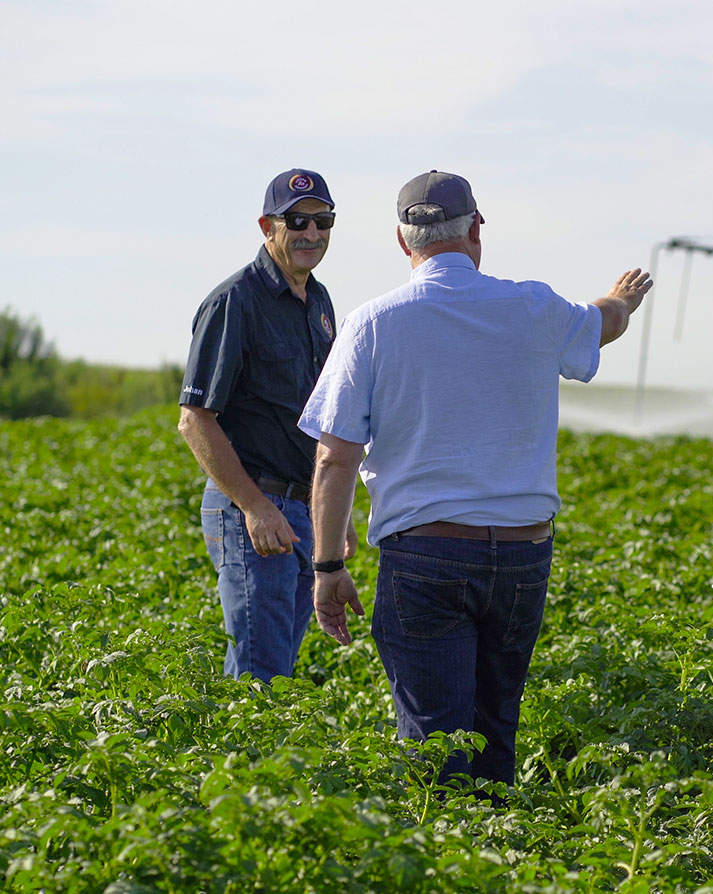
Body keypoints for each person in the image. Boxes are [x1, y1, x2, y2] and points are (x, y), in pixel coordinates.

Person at [298, 169, 651, 787]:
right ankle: (501, 858)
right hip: (522, 555)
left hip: (425, 555)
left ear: (403, 243)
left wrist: (328, 567)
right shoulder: (534, 308)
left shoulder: (373, 323)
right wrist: (621, 298)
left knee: (435, 742)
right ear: (477, 230)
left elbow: (335, 458)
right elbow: (603, 324)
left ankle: (448, 864)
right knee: (495, 728)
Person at [178, 168, 355, 682]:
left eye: (324, 221)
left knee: (274, 673)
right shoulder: (236, 300)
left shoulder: (318, 302)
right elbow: (195, 420)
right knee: (261, 679)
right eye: (297, 220)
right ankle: (238, 765)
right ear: (267, 225)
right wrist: (253, 506)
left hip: (303, 509)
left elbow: (322, 413)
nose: (312, 233)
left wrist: (334, 513)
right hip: (255, 510)